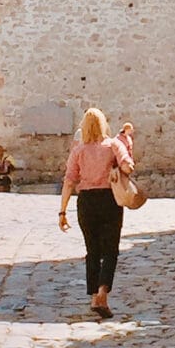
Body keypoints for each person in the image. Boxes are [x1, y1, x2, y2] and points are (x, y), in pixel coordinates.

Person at [58, 107, 134, 319]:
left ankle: (93, 297)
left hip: (86, 202)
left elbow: (69, 181)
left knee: (92, 250)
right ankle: (102, 293)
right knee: (110, 250)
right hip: (109, 200)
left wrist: (62, 211)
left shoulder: (78, 151)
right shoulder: (113, 145)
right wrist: (120, 167)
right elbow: (128, 166)